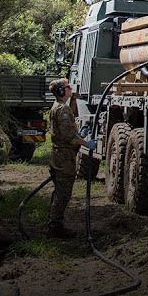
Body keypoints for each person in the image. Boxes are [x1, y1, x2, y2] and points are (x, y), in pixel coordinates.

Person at [46, 78, 95, 238]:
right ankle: (55, 228)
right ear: (61, 91)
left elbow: (66, 132)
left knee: (59, 192)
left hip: (59, 155)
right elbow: (67, 135)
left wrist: (80, 134)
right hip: (64, 157)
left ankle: (53, 224)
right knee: (63, 194)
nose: (70, 89)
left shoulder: (58, 107)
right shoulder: (63, 109)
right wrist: (86, 143)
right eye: (67, 87)